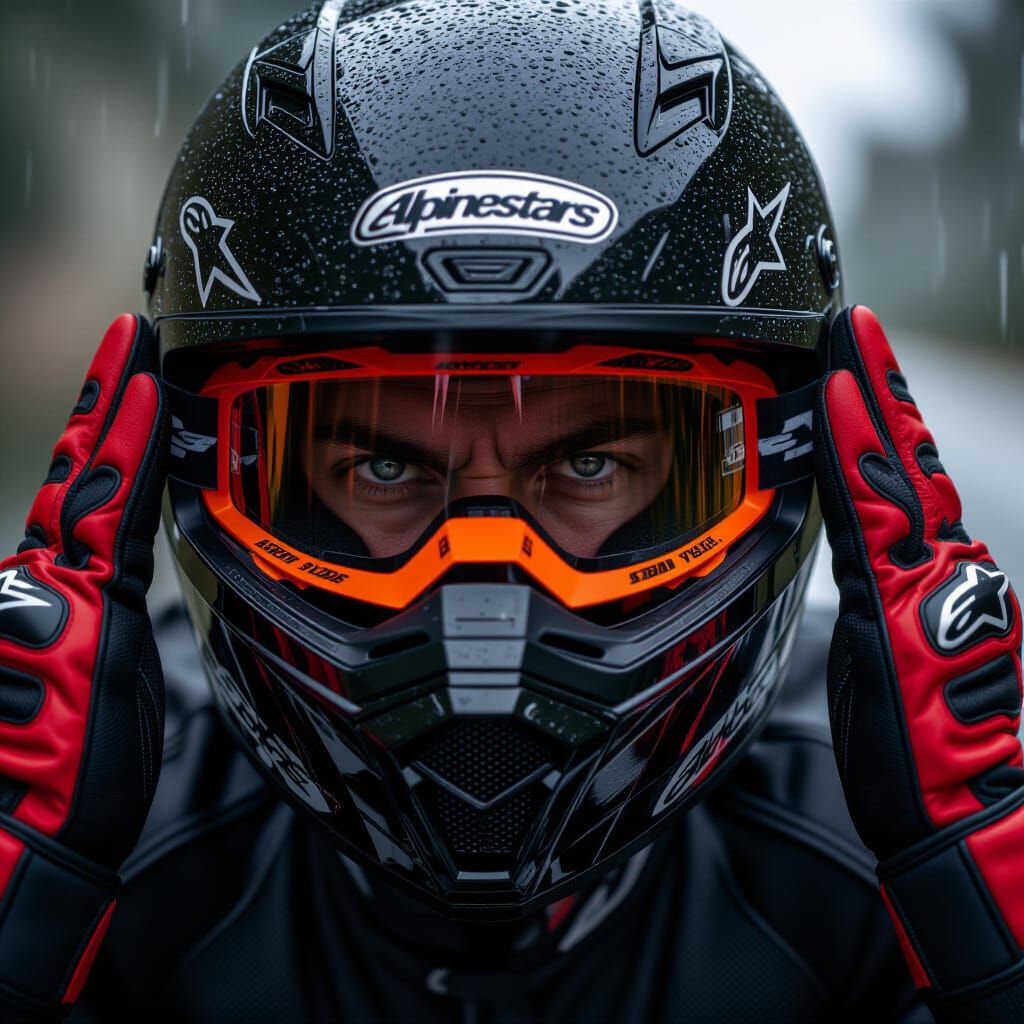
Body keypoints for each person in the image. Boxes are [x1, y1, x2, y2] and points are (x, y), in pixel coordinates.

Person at [0, 2, 1020, 1021]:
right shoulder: (109, 808)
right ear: (183, 467)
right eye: (383, 468)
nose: (483, 588)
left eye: (588, 460)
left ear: (800, 463)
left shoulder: (883, 833)